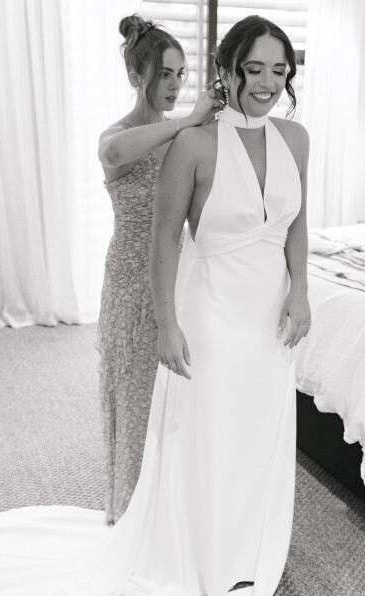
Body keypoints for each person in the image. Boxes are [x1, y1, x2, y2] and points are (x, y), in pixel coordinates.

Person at [0, 15, 311, 596]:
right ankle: (187, 543)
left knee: (256, 429)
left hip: (267, 314)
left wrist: (302, 290)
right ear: (228, 71)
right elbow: (164, 237)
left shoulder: (296, 138)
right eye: (253, 68)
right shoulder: (187, 142)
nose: (267, 81)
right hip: (201, 305)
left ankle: (245, 544)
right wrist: (167, 323)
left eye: (279, 70)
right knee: (195, 428)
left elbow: (297, 222)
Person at [97, 14, 222, 525]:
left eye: (180, 74)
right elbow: (113, 153)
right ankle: (131, 516)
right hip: (131, 285)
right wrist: (189, 119)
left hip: (179, 279)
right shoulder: (122, 135)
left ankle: (173, 515)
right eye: (164, 74)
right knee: (134, 397)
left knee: (179, 401)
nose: (175, 85)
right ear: (136, 77)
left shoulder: (184, 137)